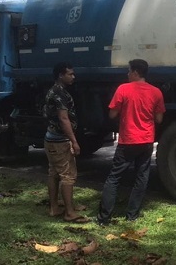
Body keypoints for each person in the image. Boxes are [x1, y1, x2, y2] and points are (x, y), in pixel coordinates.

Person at [97, 59, 165, 225]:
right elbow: (159, 119)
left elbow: (112, 114)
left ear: (135, 72)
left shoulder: (123, 89)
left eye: (128, 71)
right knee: (141, 177)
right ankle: (132, 215)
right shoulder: (156, 92)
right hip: (146, 140)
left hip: (128, 140)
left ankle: (104, 217)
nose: (127, 74)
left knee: (114, 177)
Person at [43, 62, 89, 223]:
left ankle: (54, 207)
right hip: (60, 141)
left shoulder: (53, 91)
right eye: (70, 74)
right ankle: (69, 213)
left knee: (54, 173)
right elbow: (64, 119)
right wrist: (74, 141)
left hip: (51, 138)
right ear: (60, 75)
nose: (73, 77)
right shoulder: (60, 94)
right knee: (68, 175)